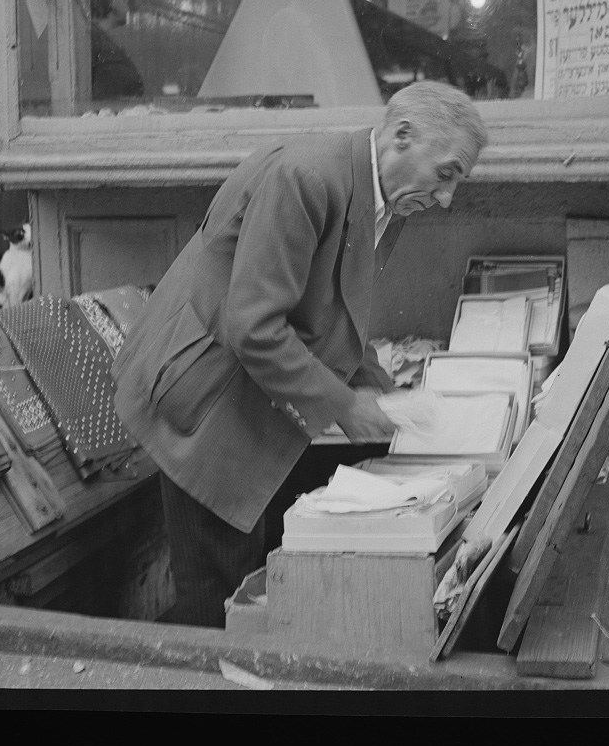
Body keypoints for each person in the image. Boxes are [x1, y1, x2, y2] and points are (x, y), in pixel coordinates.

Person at [111, 80, 488, 626]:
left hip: (244, 396)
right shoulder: (307, 178)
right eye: (446, 173)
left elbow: (333, 307)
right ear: (402, 136)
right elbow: (254, 325)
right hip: (204, 405)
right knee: (218, 603)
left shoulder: (385, 196)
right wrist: (346, 404)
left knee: (241, 589)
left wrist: (382, 388)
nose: (448, 198)